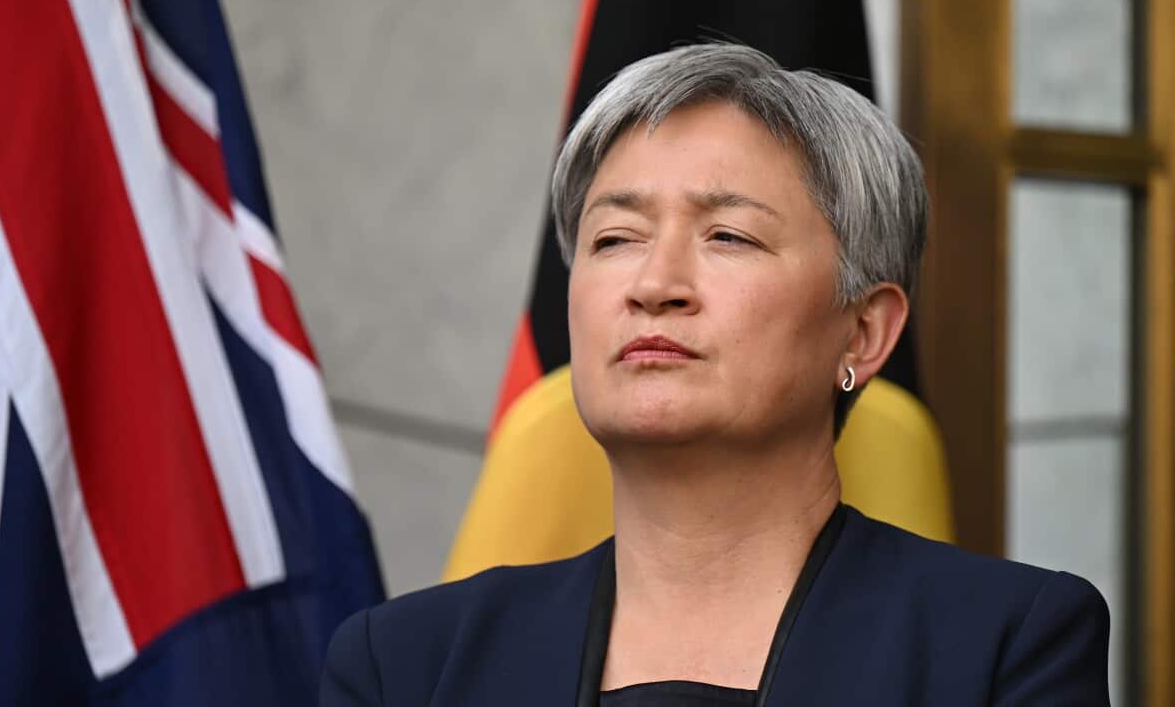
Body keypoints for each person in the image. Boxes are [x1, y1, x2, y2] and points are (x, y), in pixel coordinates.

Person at [320, 43, 1110, 706]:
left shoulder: (1007, 644)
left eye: (728, 236)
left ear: (865, 332)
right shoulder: (405, 666)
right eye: (614, 239)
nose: (653, 282)